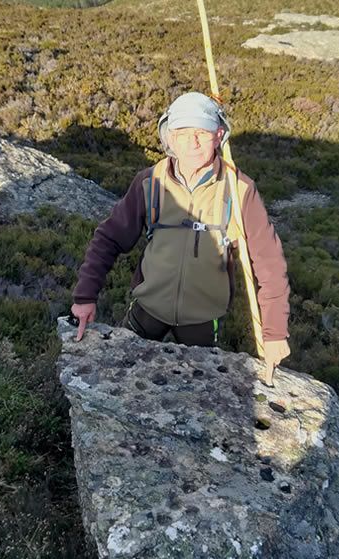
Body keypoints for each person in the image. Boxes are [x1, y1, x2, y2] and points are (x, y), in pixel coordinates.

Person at [69, 91, 291, 370]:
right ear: (169, 138)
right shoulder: (149, 183)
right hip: (148, 309)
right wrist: (85, 296)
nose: (192, 143)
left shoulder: (239, 190)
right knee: (125, 372)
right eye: (182, 133)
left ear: (219, 135)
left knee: (200, 390)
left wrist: (275, 332)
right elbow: (109, 238)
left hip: (202, 319)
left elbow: (269, 263)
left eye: (202, 132)